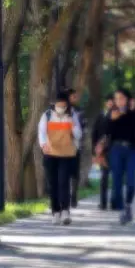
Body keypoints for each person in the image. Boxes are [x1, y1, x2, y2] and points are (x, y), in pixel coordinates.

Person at [39, 91, 82, 225]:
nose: (61, 108)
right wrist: (43, 145)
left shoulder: (72, 115)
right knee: (53, 184)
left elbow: (79, 135)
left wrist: (72, 125)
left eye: (64, 106)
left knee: (64, 182)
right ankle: (55, 211)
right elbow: (41, 132)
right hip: (50, 154)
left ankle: (65, 211)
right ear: (54, 104)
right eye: (59, 105)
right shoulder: (47, 115)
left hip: (66, 155)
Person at [103, 88, 135, 224]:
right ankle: (121, 209)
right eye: (116, 98)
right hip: (116, 150)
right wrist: (111, 120)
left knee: (131, 181)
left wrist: (133, 112)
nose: (118, 101)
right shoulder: (111, 114)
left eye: (121, 98)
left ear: (127, 99)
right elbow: (106, 132)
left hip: (131, 150)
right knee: (117, 180)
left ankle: (128, 204)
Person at [92, 97, 115, 210]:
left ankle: (115, 201)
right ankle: (103, 202)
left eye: (112, 102)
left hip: (115, 151)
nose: (110, 104)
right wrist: (95, 150)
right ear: (106, 103)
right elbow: (94, 133)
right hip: (102, 152)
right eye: (109, 102)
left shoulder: (119, 116)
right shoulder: (100, 116)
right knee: (104, 177)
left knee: (116, 177)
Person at [67, 89, 86, 208]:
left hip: (75, 146)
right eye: (73, 96)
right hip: (61, 146)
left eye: (76, 96)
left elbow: (84, 127)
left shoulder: (79, 111)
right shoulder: (60, 110)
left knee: (74, 173)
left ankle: (73, 196)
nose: (75, 99)